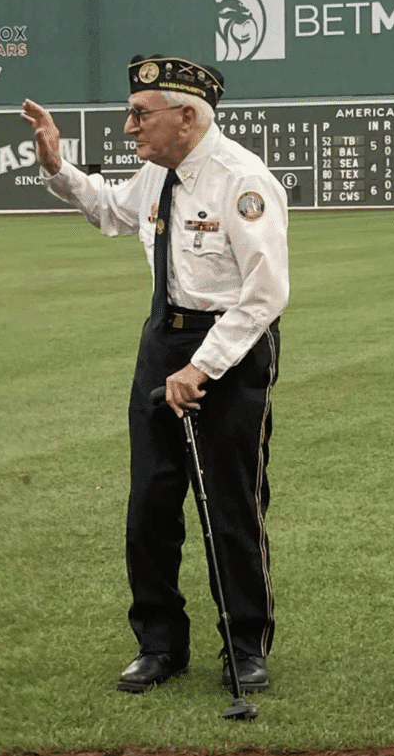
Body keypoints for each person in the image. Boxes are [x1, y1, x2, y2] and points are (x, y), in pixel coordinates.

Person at [21, 55, 289, 695]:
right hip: (161, 340)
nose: (128, 127)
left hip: (227, 345)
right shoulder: (155, 176)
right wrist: (58, 168)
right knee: (150, 506)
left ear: (189, 117)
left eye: (141, 115)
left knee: (230, 505)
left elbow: (265, 293)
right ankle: (160, 645)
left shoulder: (242, 181)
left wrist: (202, 367)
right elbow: (111, 210)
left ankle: (244, 648)